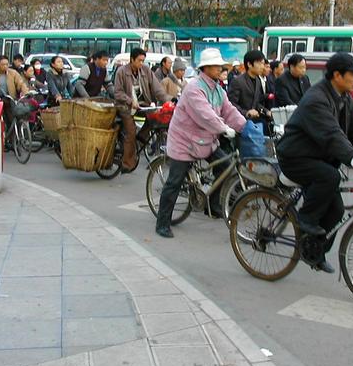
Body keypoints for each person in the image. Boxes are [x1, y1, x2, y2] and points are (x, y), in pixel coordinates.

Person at [276, 52, 353, 273]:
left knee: (336, 211)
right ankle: (305, 219)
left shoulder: (343, 97)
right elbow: (331, 134)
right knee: (330, 176)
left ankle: (314, 253)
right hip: (295, 157)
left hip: (318, 158)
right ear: (337, 75)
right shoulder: (316, 99)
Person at [154, 48, 246, 238]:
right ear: (206, 68)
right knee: (175, 181)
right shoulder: (194, 88)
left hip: (206, 139)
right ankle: (162, 222)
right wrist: (224, 129)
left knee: (226, 165)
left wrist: (245, 126)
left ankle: (212, 205)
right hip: (184, 141)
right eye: (216, 65)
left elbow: (229, 111)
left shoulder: (218, 89)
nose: (220, 68)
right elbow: (205, 115)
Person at [114, 47, 171, 172]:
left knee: (155, 119)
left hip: (142, 104)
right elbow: (117, 93)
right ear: (132, 60)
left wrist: (168, 100)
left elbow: (157, 89)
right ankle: (127, 163)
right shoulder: (121, 72)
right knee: (131, 130)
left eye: (143, 61)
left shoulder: (145, 70)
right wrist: (130, 101)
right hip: (125, 106)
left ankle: (139, 140)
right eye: (139, 60)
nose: (141, 63)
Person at [228, 50, 272, 129]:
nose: (262, 66)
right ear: (249, 64)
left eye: (263, 63)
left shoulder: (258, 80)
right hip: (240, 124)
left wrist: (266, 111)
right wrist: (246, 112)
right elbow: (231, 104)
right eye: (259, 63)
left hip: (254, 124)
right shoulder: (238, 81)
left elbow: (256, 102)